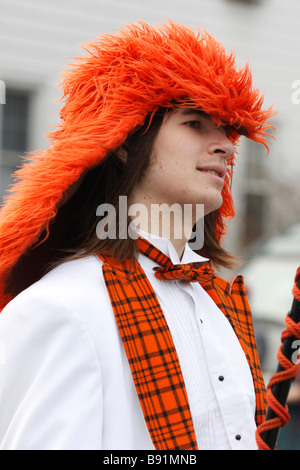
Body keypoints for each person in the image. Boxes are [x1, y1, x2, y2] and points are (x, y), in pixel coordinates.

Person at [0, 21, 275, 450]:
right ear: (126, 139)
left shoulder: (216, 300)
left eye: (226, 128)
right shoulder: (61, 308)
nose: (224, 144)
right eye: (195, 122)